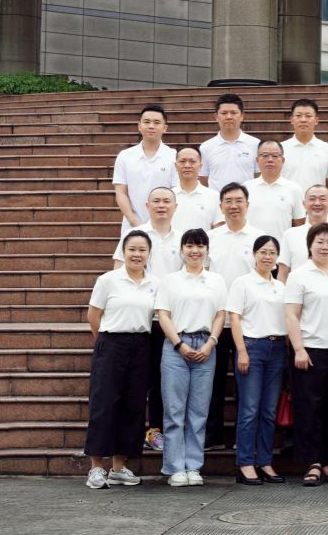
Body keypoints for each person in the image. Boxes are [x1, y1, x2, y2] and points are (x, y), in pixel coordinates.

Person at [84, 229, 157, 489]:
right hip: (111, 344)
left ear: (149, 254)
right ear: (123, 252)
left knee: (133, 406)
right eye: (132, 249)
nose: (137, 254)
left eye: (142, 250)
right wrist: (106, 343)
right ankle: (96, 468)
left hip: (141, 346)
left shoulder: (155, 283)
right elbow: (93, 316)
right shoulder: (108, 280)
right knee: (103, 404)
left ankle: (118, 468)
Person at [111, 186, 181, 454]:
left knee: (164, 378)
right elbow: (118, 275)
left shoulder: (182, 238)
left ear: (175, 206)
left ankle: (157, 429)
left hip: (170, 321)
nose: (162, 205)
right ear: (147, 205)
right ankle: (133, 433)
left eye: (167, 201)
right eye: (156, 201)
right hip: (140, 320)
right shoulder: (134, 235)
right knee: (139, 379)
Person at [154, 228, 227, 487]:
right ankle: (175, 468)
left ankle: (194, 466)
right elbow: (163, 314)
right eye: (189, 246)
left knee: (199, 411)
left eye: (200, 246)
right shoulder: (170, 280)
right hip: (176, 346)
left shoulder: (216, 280)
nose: (195, 251)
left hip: (206, 346)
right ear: (182, 250)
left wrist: (211, 342)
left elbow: (220, 314)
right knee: (174, 411)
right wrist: (179, 344)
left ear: (207, 250)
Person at [284, 223, 328, 486]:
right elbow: (291, 315)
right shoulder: (299, 276)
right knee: (309, 408)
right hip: (310, 350)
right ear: (310, 245)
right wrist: (299, 349)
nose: (325, 247)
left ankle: (325, 460)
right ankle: (311, 462)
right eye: (320, 242)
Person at [205, 182, 263, 450]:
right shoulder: (211, 238)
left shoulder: (259, 238)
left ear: (248, 204)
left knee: (246, 385)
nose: (234, 205)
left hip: (248, 323)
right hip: (216, 322)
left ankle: (245, 440)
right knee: (213, 382)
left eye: (239, 200)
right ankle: (213, 436)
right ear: (221, 206)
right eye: (228, 201)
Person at [226, 235, 287, 486]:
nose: (267, 256)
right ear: (254, 254)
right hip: (252, 347)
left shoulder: (281, 287)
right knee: (249, 409)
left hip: (278, 348)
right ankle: (245, 463)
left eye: (272, 252)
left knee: (269, 410)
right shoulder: (242, 283)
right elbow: (235, 318)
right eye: (263, 251)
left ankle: (264, 461)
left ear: (277, 257)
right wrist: (241, 350)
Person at [113, 104, 175, 234]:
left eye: (156, 122)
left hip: (165, 227)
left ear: (165, 128)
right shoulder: (125, 156)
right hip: (132, 228)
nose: (151, 126)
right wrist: (134, 222)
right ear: (139, 126)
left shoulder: (173, 156)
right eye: (147, 122)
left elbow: (176, 192)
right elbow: (121, 192)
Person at [279, 186, 328, 281]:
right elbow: (283, 274)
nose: (317, 203)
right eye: (312, 199)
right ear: (304, 204)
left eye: (323, 199)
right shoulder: (290, 234)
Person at [245, 140, 306, 240]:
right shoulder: (246, 188)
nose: (270, 160)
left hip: (282, 248)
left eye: (275, 156)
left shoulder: (294, 189)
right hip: (251, 247)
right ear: (257, 160)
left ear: (283, 160)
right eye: (265, 155)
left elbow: (299, 225)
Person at [199, 93, 259, 192]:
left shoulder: (255, 144)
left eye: (234, 113)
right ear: (216, 116)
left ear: (242, 116)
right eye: (224, 113)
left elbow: (258, 175)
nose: (229, 117)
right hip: (217, 200)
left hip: (247, 199)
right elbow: (203, 177)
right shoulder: (206, 147)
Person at [281, 98, 328, 192]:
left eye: (308, 116)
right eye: (298, 116)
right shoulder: (280, 149)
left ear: (316, 120)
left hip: (317, 201)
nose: (303, 120)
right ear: (292, 120)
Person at [171, 147, 219, 237]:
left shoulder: (214, 196)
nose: (187, 165)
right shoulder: (167, 197)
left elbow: (218, 230)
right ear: (176, 166)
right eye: (182, 161)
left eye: (192, 161)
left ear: (200, 166)